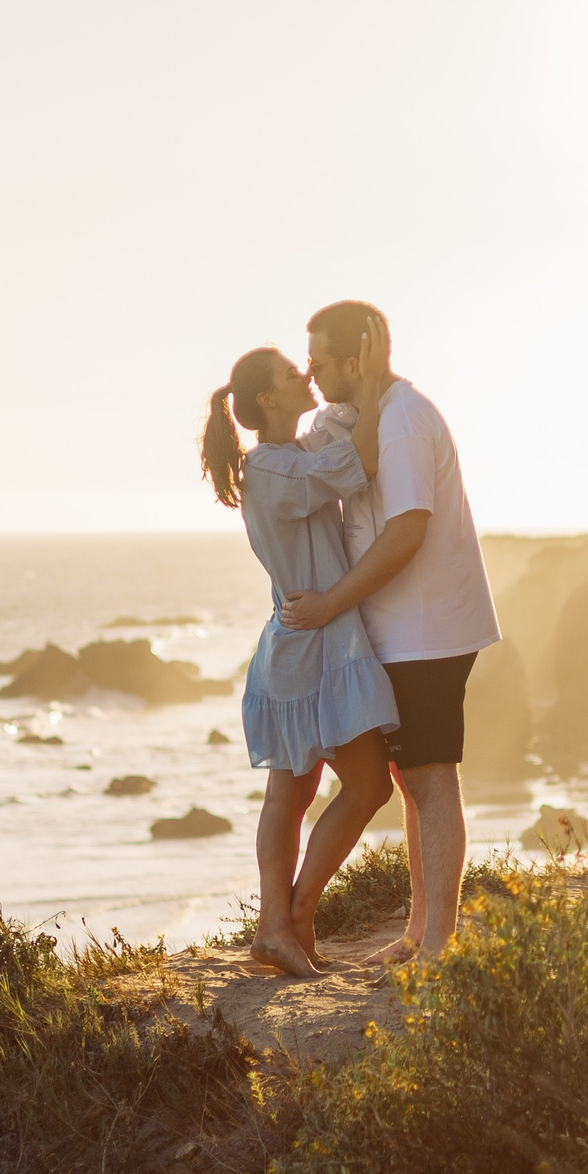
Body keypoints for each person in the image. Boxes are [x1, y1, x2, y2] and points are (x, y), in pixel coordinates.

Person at [282, 302, 501, 967]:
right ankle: (417, 933)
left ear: (361, 357)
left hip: (427, 630)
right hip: (398, 629)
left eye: (320, 359)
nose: (311, 371)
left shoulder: (405, 420)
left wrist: (328, 604)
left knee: (432, 780)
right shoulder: (360, 421)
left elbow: (406, 532)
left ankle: (438, 944)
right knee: (414, 780)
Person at [202, 343, 399, 978]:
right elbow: (361, 462)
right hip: (313, 647)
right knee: (365, 787)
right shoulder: (273, 471)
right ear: (267, 398)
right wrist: (370, 379)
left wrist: (349, 395)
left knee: (290, 795)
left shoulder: (287, 459)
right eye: (293, 373)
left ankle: (280, 930)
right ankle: (290, 923)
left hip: (302, 646)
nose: (305, 374)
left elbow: (338, 444)